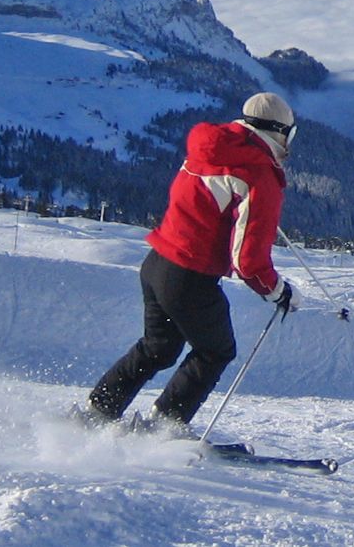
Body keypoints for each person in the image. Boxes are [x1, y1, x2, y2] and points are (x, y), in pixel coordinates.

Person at [83, 93, 305, 435]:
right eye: (290, 135)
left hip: (157, 263)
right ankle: (162, 429)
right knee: (216, 350)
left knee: (158, 347)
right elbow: (248, 260)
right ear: (279, 133)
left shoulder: (209, 146)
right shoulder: (259, 173)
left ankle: (97, 412)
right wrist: (277, 292)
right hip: (190, 276)